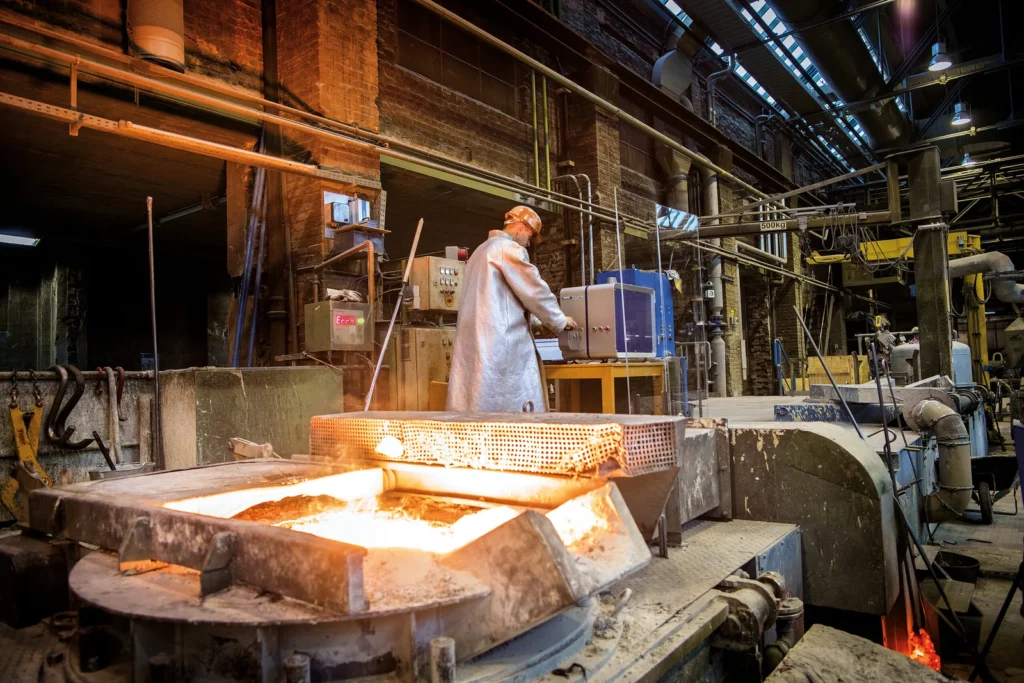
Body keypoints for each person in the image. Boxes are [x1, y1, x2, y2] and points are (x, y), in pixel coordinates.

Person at [446, 205, 578, 413]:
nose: (529, 242)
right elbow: (534, 289)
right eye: (530, 235)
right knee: (511, 407)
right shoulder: (508, 249)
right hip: (501, 343)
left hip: (478, 341)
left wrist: (535, 322)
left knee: (476, 400)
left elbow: (499, 300)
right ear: (521, 227)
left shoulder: (480, 252)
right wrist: (559, 320)